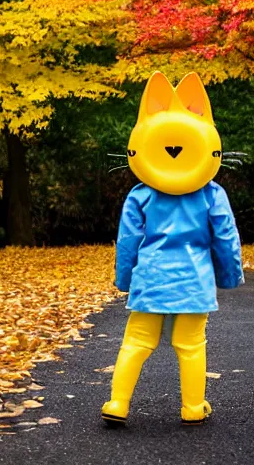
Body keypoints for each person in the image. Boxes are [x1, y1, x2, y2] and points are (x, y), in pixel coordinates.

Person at [101, 71, 244, 426]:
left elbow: (129, 241)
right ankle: (193, 408)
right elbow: (225, 237)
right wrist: (228, 276)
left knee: (136, 340)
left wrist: (125, 279)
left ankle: (118, 403)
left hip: (151, 277)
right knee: (191, 343)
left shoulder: (141, 195)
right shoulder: (212, 193)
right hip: (194, 279)